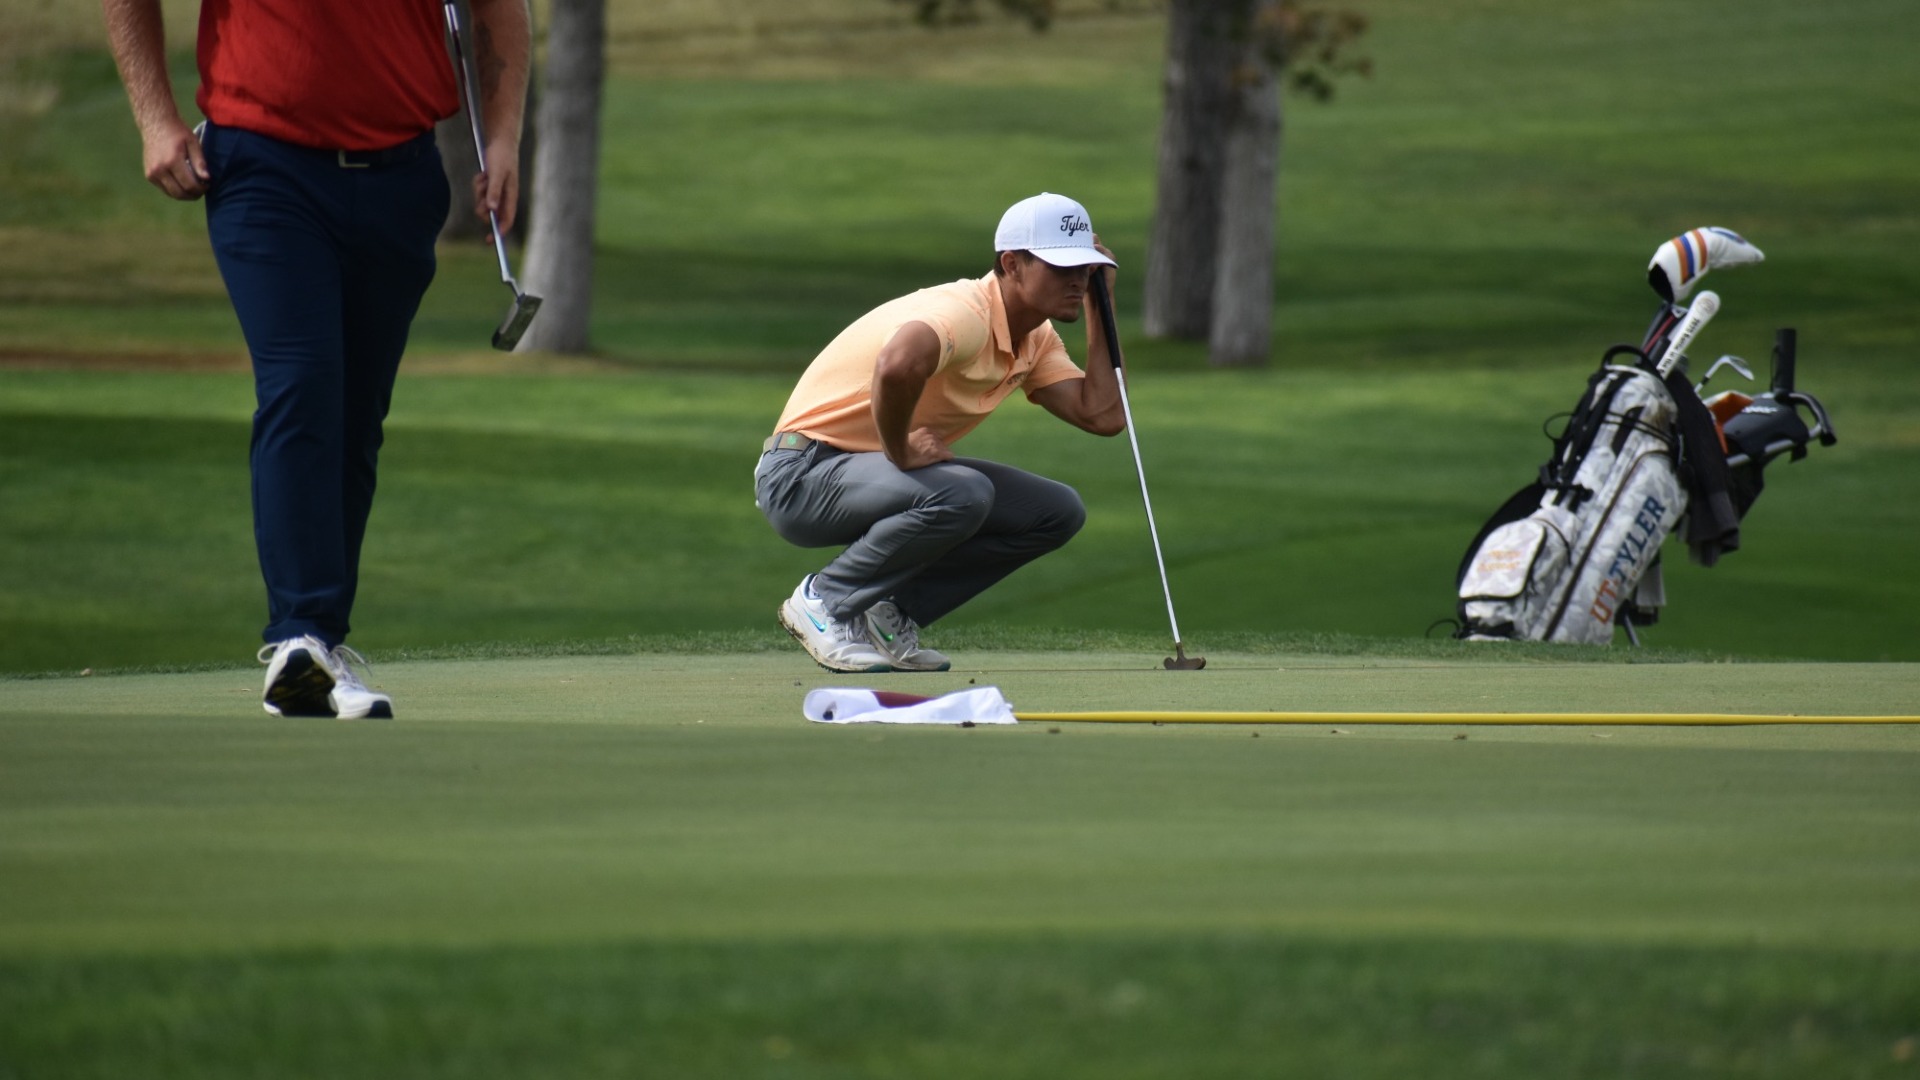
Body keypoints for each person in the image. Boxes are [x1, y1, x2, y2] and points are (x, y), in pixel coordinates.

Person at [103, 0, 531, 718]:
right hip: (265, 168)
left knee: (355, 413)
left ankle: (320, 648)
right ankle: (298, 637)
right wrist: (154, 117)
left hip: (402, 174)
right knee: (303, 384)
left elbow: (496, 9)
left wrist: (506, 138)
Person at [757, 192, 1126, 673]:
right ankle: (824, 600)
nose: (1077, 279)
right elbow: (897, 364)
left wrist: (1104, 303)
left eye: (1086, 267)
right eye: (1061, 267)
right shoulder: (966, 313)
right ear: (1011, 265)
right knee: (964, 493)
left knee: (1055, 512)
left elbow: (1102, 415)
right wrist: (902, 449)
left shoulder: (1035, 338)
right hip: (800, 475)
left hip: (860, 474)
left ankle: (886, 614)